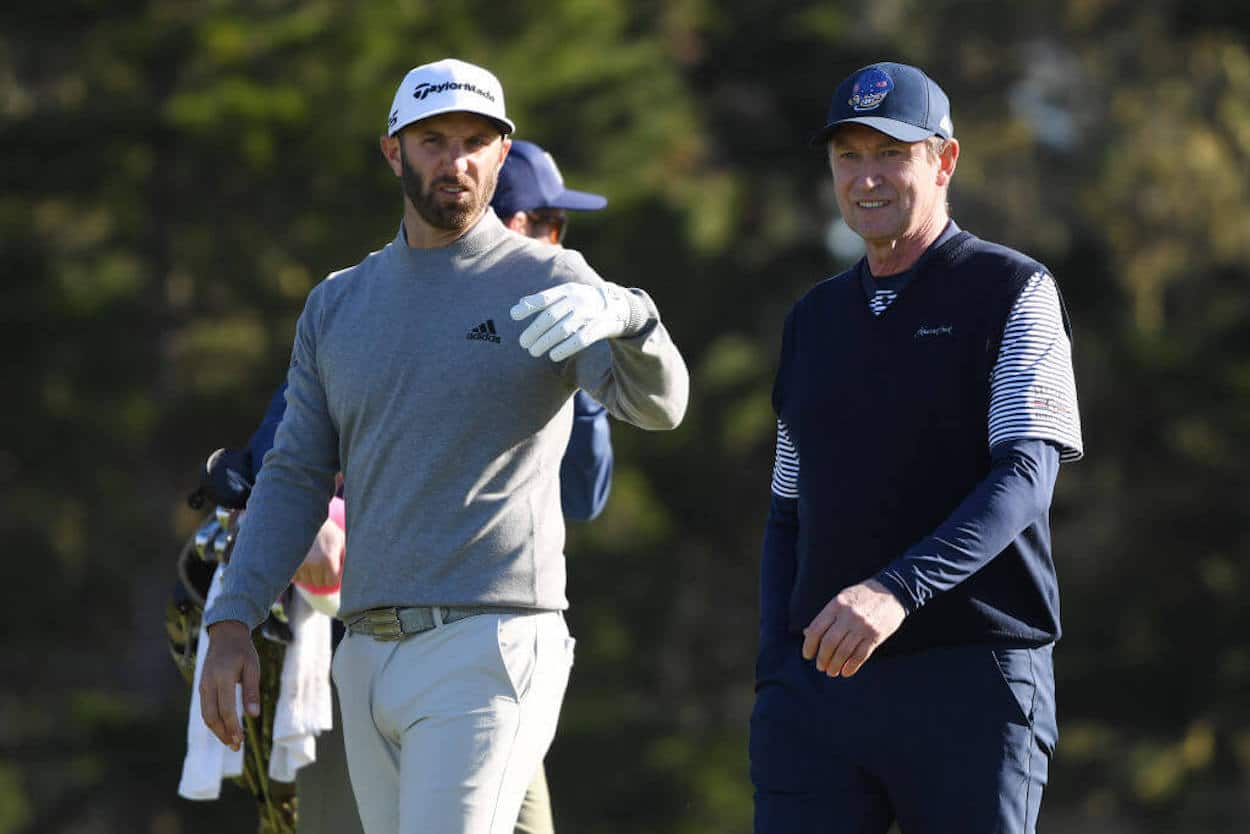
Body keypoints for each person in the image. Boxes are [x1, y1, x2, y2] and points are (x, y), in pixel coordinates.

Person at [197, 56, 688, 834]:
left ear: (501, 152)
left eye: (474, 141)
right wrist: (232, 620)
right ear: (393, 150)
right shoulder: (338, 303)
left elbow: (659, 407)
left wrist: (632, 315)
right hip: (363, 654)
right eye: (432, 140)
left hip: (491, 646)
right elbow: (294, 476)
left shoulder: (552, 277)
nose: (454, 161)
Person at [243, 139, 618, 834]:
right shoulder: (368, 315)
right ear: (500, 224)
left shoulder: (554, 315)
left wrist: (575, 364)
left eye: (558, 231)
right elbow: (282, 463)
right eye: (542, 223)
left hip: (485, 661)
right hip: (355, 655)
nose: (554, 243)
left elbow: (585, 495)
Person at [750, 61, 1083, 834]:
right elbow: (787, 513)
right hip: (817, 698)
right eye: (849, 156)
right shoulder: (813, 320)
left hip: (972, 676)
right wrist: (776, 671)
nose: (867, 179)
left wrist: (896, 590)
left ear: (944, 160)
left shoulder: (1012, 290)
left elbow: (1026, 478)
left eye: (890, 153)